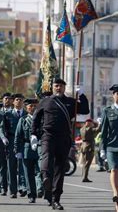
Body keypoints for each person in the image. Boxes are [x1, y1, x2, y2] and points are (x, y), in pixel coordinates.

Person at [31, 79, 89, 210]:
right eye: (56, 86)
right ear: (52, 87)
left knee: (60, 169)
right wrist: (34, 134)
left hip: (63, 137)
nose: (58, 88)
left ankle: (56, 199)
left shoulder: (70, 102)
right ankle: (45, 178)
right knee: (46, 157)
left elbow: (85, 110)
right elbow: (36, 117)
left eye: (61, 86)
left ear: (64, 88)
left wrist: (82, 95)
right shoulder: (45, 101)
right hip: (48, 135)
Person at [0, 93, 27, 198]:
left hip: (23, 142)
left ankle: (22, 187)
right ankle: (13, 191)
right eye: (16, 100)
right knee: (11, 167)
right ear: (13, 101)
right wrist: (3, 138)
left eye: (20, 99)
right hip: (11, 142)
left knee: (23, 166)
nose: (18, 101)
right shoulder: (8, 114)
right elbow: (1, 128)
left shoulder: (26, 114)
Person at [14, 98, 40, 203]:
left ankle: (41, 189)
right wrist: (17, 150)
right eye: (30, 106)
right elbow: (18, 136)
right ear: (26, 107)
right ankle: (31, 195)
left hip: (39, 148)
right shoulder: (23, 120)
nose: (33, 108)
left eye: (34, 106)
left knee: (41, 171)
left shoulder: (41, 119)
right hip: (27, 149)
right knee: (28, 174)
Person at [80, 118, 101, 183]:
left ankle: (84, 176)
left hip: (83, 146)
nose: (92, 124)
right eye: (91, 123)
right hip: (88, 147)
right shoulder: (89, 129)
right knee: (87, 163)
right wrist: (99, 123)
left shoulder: (81, 129)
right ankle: (85, 177)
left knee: (84, 163)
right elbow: (98, 129)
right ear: (89, 123)